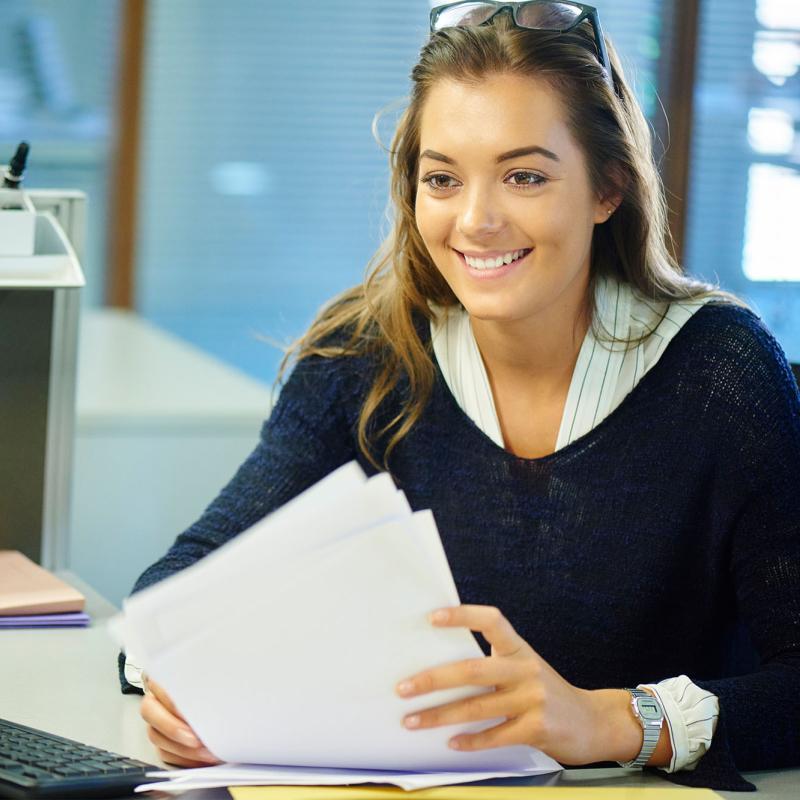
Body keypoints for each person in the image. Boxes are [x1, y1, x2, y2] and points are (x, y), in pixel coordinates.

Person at [118, 1, 800, 792]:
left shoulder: (720, 371)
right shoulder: (366, 357)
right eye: (442, 178)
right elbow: (179, 590)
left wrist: (609, 720)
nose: (475, 220)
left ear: (608, 187)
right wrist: (183, 689)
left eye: (525, 176)